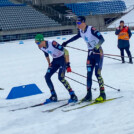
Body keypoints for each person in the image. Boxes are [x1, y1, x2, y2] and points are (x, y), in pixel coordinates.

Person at [62, 16, 106, 102]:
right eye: (76, 23)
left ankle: (102, 94)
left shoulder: (91, 29)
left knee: (97, 73)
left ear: (83, 22)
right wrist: (66, 42)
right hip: (90, 54)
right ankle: (88, 95)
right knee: (88, 74)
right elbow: (75, 37)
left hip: (98, 53)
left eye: (78, 23)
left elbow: (102, 39)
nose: (77, 24)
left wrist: (95, 48)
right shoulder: (81, 31)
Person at [35, 34, 78, 104]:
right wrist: (49, 63)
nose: (37, 44)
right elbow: (46, 54)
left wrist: (68, 65)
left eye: (38, 42)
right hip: (55, 60)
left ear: (42, 41)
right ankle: (53, 96)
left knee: (61, 78)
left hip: (62, 60)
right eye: (36, 43)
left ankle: (73, 95)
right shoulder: (41, 47)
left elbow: (66, 51)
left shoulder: (52, 43)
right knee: (47, 77)